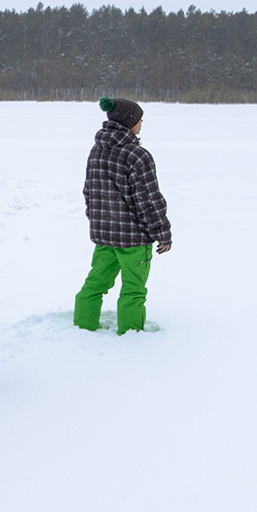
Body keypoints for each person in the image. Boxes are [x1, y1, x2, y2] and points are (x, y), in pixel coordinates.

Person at [73, 96, 172, 334]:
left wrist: (97, 222)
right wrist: (163, 232)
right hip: (134, 240)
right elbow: (148, 200)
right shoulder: (138, 155)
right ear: (129, 122)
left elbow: (90, 192)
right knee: (134, 289)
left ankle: (83, 326)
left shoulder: (97, 150)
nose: (141, 124)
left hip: (105, 237)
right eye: (139, 119)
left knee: (95, 283)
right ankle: (131, 334)